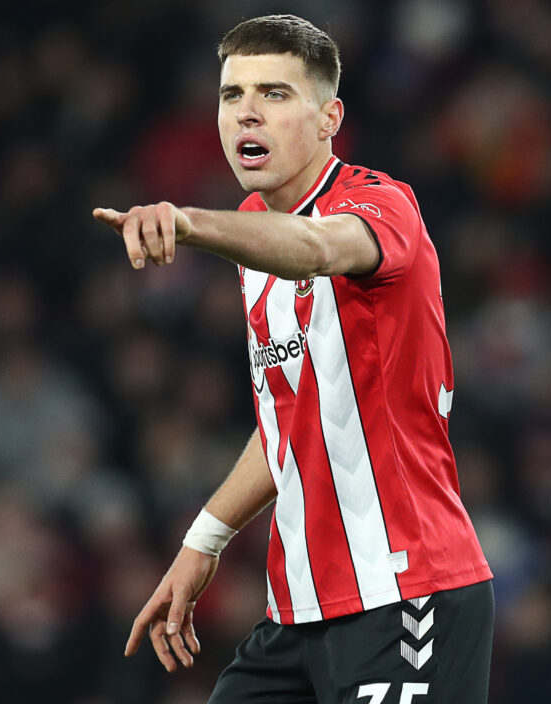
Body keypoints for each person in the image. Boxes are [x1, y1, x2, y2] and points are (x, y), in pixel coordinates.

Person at [93, 14, 493, 704]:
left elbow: (318, 247)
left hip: (406, 595)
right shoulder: (254, 243)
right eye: (231, 95)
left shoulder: (380, 203)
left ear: (329, 116)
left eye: (275, 93)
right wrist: (204, 540)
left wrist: (191, 223)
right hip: (299, 614)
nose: (247, 111)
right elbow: (292, 416)